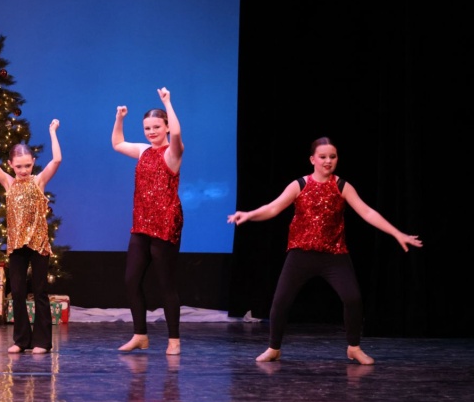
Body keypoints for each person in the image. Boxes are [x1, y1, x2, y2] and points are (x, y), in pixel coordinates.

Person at [227, 136, 423, 365]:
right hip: (301, 254)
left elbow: (367, 212)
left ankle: (354, 348)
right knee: (281, 301)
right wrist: (249, 215)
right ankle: (274, 348)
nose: (328, 161)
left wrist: (397, 233)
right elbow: (273, 208)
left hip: (334, 255)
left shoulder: (342, 186)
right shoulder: (299, 185)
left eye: (332, 156)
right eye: (323, 157)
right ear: (313, 159)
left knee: (353, 298)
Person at [0, 115, 61, 354]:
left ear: (33, 162)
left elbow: (57, 159)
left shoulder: (39, 181)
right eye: (19, 166)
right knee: (17, 292)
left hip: (38, 244)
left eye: (27, 165)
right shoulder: (9, 183)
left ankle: (42, 342)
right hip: (16, 245)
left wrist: (53, 132)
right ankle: (21, 340)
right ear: (11, 165)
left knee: (40, 291)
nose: (24, 170)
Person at [112, 87, 184, 356]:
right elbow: (118, 143)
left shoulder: (172, 153)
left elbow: (177, 134)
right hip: (141, 223)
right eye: (147, 128)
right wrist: (120, 118)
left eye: (156, 127)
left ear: (166, 127)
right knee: (131, 280)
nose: (151, 132)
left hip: (165, 223)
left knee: (166, 284)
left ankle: (174, 340)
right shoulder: (144, 151)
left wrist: (168, 102)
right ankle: (140, 335)